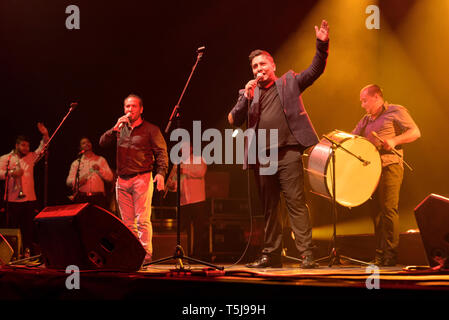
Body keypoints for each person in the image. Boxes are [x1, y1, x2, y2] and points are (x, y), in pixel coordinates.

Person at [228, 20, 329, 268]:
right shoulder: (250, 94)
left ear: (273, 65)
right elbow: (232, 120)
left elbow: (314, 70)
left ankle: (306, 254)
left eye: (262, 64)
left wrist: (322, 45)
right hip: (262, 157)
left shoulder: (289, 82)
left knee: (295, 202)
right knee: (270, 208)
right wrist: (245, 97)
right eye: (254, 66)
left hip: (288, 152)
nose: (258, 69)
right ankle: (271, 254)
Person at [352, 84, 421, 266]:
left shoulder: (395, 111)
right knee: (375, 213)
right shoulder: (365, 120)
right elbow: (352, 138)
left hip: (390, 166)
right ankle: (380, 253)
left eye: (364, 100)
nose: (362, 105)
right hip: (371, 170)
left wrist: (394, 140)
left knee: (388, 209)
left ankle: (391, 254)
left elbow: (415, 132)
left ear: (376, 97)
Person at [99, 94, 168, 265]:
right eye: (127, 106)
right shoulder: (120, 129)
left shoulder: (151, 129)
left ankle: (145, 256)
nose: (130, 110)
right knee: (128, 224)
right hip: (122, 180)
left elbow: (161, 152)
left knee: (142, 220)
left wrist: (161, 173)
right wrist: (114, 128)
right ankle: (132, 255)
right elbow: (102, 142)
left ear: (141, 109)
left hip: (142, 178)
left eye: (133, 106)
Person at [0, 123, 49, 257]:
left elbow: (43, 147)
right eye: (23, 145)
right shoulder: (6, 158)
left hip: (29, 199)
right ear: (17, 146)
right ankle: (11, 255)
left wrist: (45, 134)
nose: (26, 148)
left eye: (27, 146)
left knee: (28, 229)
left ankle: (28, 253)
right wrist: (11, 174)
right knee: (13, 229)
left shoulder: (31, 157)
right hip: (12, 200)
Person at [166, 142, 208, 257]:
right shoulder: (177, 164)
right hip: (183, 202)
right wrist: (171, 186)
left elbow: (201, 172)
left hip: (197, 200)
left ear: (191, 149)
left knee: (199, 229)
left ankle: (197, 254)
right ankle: (183, 254)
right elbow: (175, 185)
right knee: (182, 229)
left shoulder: (199, 159)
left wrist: (185, 171)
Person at [66, 137, 114, 208]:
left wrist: (100, 169)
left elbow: (110, 178)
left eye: (88, 142)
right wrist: (78, 181)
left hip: (98, 198)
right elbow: (68, 181)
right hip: (82, 198)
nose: (86, 144)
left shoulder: (100, 160)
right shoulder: (76, 163)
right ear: (80, 148)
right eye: (83, 143)